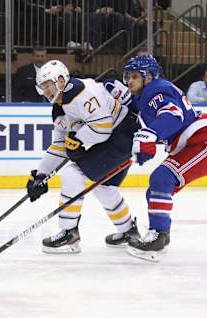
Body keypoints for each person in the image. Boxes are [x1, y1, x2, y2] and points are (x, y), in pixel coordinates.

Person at [27, 60, 140, 254]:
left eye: (48, 85)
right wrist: (40, 174)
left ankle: (69, 232)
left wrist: (78, 139)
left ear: (61, 81)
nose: (45, 91)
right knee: (105, 187)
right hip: (115, 138)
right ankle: (129, 230)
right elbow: (59, 145)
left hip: (122, 135)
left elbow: (102, 128)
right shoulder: (59, 108)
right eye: (42, 87)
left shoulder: (82, 94)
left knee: (73, 174)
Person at [122, 55, 207, 261]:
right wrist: (145, 146)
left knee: (162, 178)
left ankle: (159, 236)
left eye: (134, 76)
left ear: (148, 77)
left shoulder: (156, 90)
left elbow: (172, 115)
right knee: (155, 190)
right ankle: (159, 234)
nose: (129, 81)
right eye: (127, 77)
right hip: (193, 146)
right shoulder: (144, 94)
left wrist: (150, 134)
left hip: (203, 146)